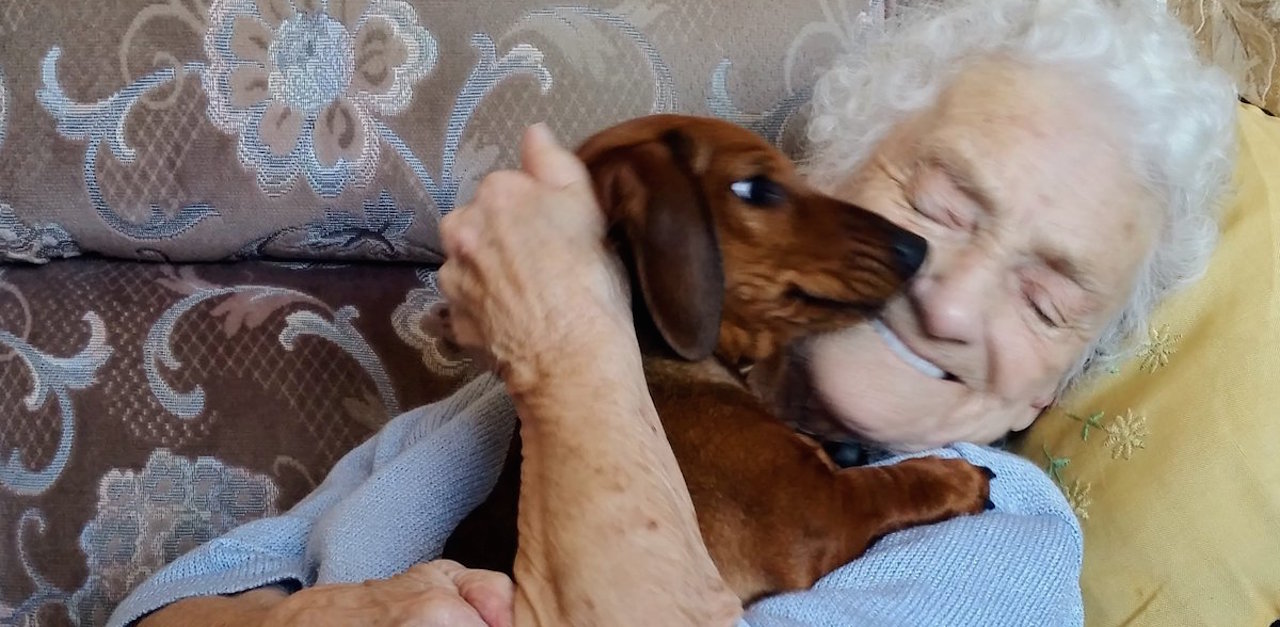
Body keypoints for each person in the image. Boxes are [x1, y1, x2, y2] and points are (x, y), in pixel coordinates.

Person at [107, 0, 1238, 625]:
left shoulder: (995, 552)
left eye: (1044, 299)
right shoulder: (484, 422)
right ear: (821, 182)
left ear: (1044, 386)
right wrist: (314, 626)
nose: (942, 291)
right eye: (933, 205)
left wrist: (565, 343)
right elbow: (163, 609)